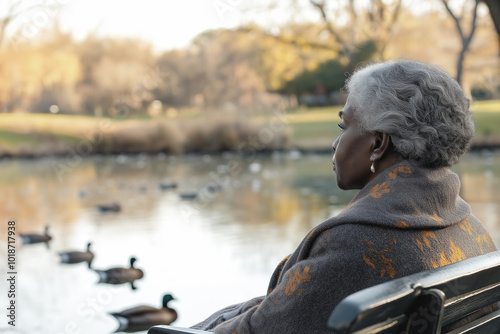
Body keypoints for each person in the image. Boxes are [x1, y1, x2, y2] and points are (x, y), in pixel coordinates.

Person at [191, 59, 498, 333]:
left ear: (378, 143)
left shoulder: (354, 243)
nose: (336, 143)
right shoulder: (472, 229)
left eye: (344, 126)